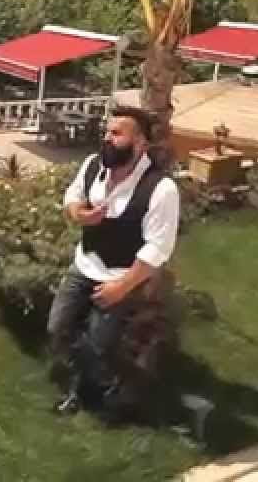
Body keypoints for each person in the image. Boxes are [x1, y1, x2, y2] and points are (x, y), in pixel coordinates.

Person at [47, 106, 180, 418]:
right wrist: (80, 214)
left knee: (100, 343)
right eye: (107, 132)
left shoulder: (161, 189)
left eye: (116, 134)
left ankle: (91, 392)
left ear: (140, 144)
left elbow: (159, 247)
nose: (107, 138)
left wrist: (121, 287)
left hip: (122, 276)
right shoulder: (93, 165)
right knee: (57, 328)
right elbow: (72, 196)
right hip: (84, 265)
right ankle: (97, 376)